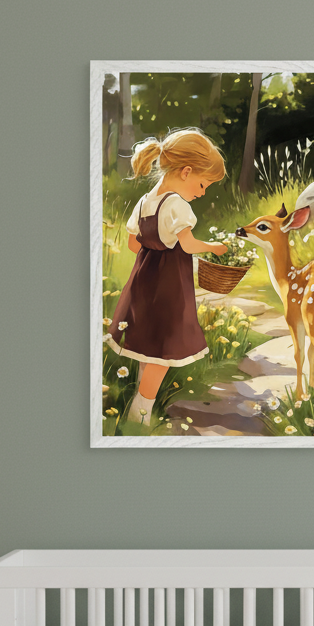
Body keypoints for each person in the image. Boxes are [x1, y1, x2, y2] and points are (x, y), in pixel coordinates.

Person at [106, 128, 228, 425]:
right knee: (163, 352)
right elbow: (187, 245)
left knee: (147, 345)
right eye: (202, 184)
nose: (201, 193)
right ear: (186, 172)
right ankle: (140, 414)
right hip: (168, 287)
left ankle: (138, 410)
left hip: (143, 281)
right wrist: (214, 247)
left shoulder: (146, 201)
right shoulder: (177, 205)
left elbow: (134, 244)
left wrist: (154, 250)